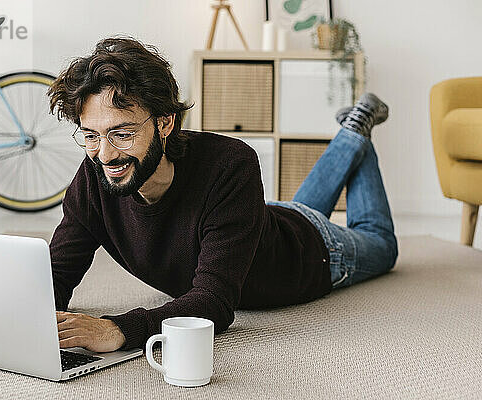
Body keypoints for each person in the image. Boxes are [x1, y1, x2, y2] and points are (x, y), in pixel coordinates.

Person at [46, 37, 398, 353]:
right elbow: (55, 276)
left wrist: (118, 329)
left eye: (121, 134)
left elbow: (214, 302)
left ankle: (356, 133)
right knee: (297, 208)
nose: (104, 155)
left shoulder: (230, 164)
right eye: (91, 135)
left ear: (165, 122)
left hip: (314, 249)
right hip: (250, 221)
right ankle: (352, 134)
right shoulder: (95, 178)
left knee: (380, 242)